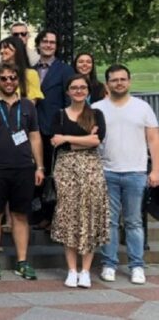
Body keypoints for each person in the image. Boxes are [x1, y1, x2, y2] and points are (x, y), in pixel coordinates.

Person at [0, 62, 44, 281]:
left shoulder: (28, 105)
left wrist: (40, 166)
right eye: (3, 78)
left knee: (20, 215)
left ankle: (22, 261)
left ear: (18, 80)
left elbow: (35, 137)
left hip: (23, 167)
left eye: (12, 78)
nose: (8, 82)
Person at [94, 65, 159, 285]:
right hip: (106, 171)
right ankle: (109, 263)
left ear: (129, 81)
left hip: (135, 171)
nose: (119, 83)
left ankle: (137, 265)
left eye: (123, 79)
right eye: (114, 80)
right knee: (109, 222)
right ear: (107, 84)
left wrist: (156, 169)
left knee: (134, 222)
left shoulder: (142, 108)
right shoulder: (97, 108)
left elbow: (154, 140)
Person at [50, 74, 109, 289]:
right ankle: (72, 269)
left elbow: (96, 140)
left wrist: (68, 138)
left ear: (88, 90)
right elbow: (55, 141)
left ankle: (85, 270)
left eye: (82, 87)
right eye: (74, 87)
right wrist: (83, 140)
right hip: (66, 169)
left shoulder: (96, 114)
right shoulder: (59, 115)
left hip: (91, 169)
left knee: (89, 216)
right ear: (68, 91)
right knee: (69, 216)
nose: (78, 91)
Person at [33, 30, 74, 229]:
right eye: (45, 41)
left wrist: (63, 130)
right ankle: (42, 215)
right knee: (37, 173)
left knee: (55, 175)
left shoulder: (65, 70)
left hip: (54, 131)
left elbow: (69, 102)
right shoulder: (30, 70)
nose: (48, 45)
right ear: (38, 44)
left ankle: (55, 218)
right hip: (33, 130)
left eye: (52, 42)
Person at [0, 36, 44, 101]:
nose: (1, 51)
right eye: (1, 48)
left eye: (5, 47)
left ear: (17, 49)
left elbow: (32, 103)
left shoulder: (31, 74)